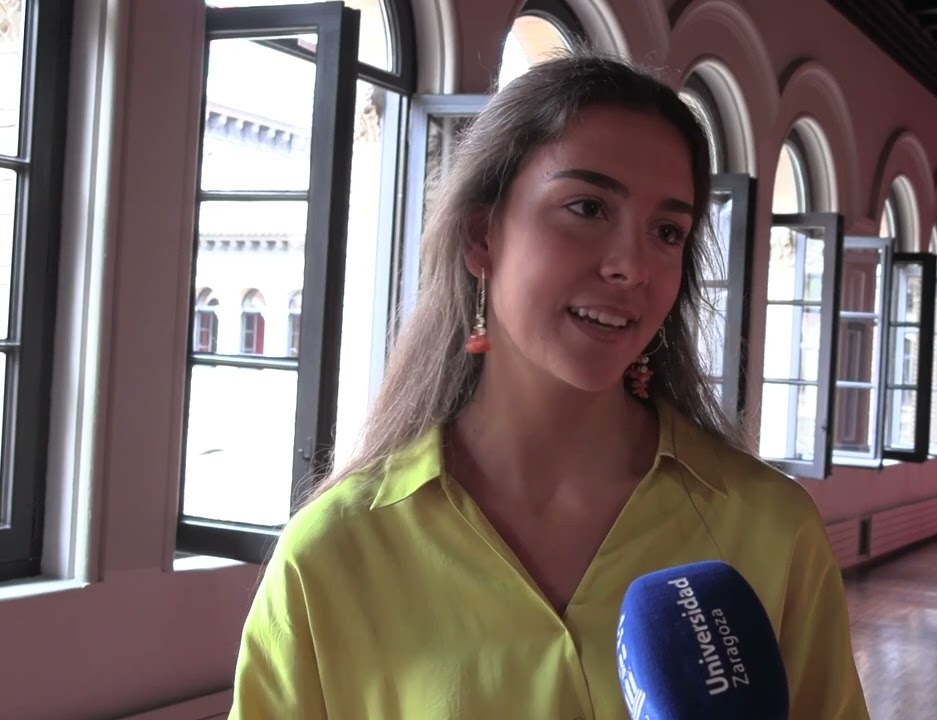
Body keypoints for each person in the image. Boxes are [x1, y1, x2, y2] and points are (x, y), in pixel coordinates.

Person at [229, 51, 870, 719]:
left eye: (667, 231)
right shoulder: (334, 556)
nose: (631, 265)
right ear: (483, 236)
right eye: (588, 207)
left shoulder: (771, 530)